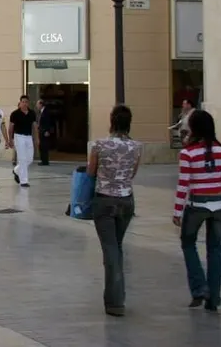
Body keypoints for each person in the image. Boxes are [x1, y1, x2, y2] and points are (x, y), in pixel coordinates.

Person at [174, 110, 221, 313]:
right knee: (214, 250)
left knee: (188, 243)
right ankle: (214, 298)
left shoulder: (188, 153)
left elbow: (184, 185)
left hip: (197, 205)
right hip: (220, 206)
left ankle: (200, 288)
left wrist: (177, 211)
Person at [87, 105, 142, 317]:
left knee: (110, 250)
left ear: (112, 121)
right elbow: (132, 173)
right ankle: (118, 294)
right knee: (117, 247)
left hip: (104, 199)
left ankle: (115, 301)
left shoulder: (99, 145)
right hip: (126, 200)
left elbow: (91, 172)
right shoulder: (136, 147)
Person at [7, 95, 38, 187]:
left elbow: (35, 127)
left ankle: (16, 170)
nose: (24, 104)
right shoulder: (15, 114)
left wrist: (37, 138)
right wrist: (10, 139)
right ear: (20, 103)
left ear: (28, 103)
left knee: (29, 159)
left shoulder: (32, 113)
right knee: (22, 159)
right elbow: (10, 127)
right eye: (23, 102)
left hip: (28, 137)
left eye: (26, 102)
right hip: (18, 136)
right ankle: (23, 181)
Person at [37, 99, 56, 165]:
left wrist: (47, 131)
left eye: (38, 104)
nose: (37, 106)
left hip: (44, 132)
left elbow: (48, 122)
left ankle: (45, 161)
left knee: (44, 146)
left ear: (41, 104)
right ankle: (43, 160)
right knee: (41, 146)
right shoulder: (41, 112)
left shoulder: (46, 112)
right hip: (41, 131)